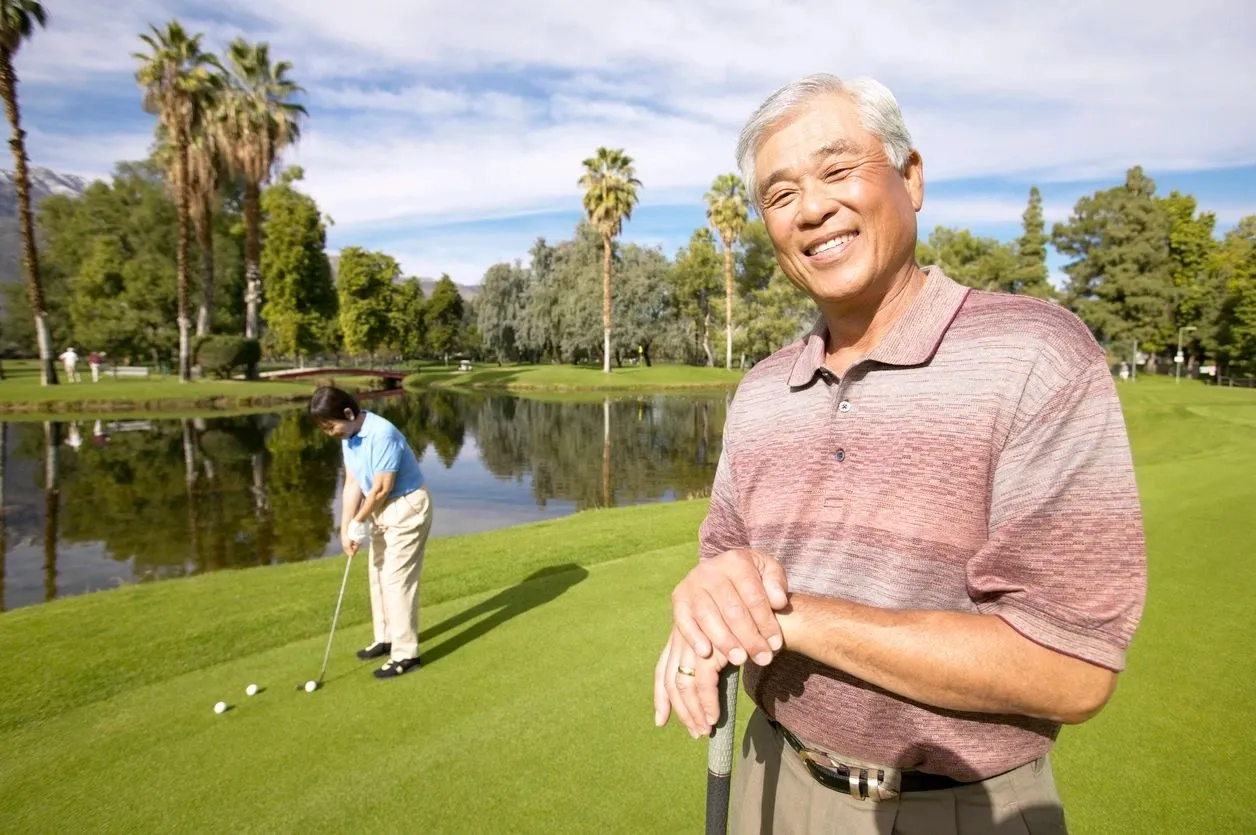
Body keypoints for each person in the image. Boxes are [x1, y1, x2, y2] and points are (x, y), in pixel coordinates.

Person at [652, 74, 1147, 834]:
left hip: (950, 808)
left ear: (910, 178)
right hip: (768, 778)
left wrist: (785, 620)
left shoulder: (1036, 354)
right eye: (779, 196)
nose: (811, 208)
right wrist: (700, 625)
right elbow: (724, 564)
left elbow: (1072, 669)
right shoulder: (757, 391)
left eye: (838, 169)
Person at [310, 386, 433, 679]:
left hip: (407, 508)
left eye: (331, 426)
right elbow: (353, 483)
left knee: (396, 581)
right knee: (378, 574)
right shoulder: (349, 437)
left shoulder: (382, 434)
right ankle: (386, 636)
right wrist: (345, 528)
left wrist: (359, 521)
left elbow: (382, 488)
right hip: (379, 511)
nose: (329, 433)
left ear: (349, 413)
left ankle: (406, 654)